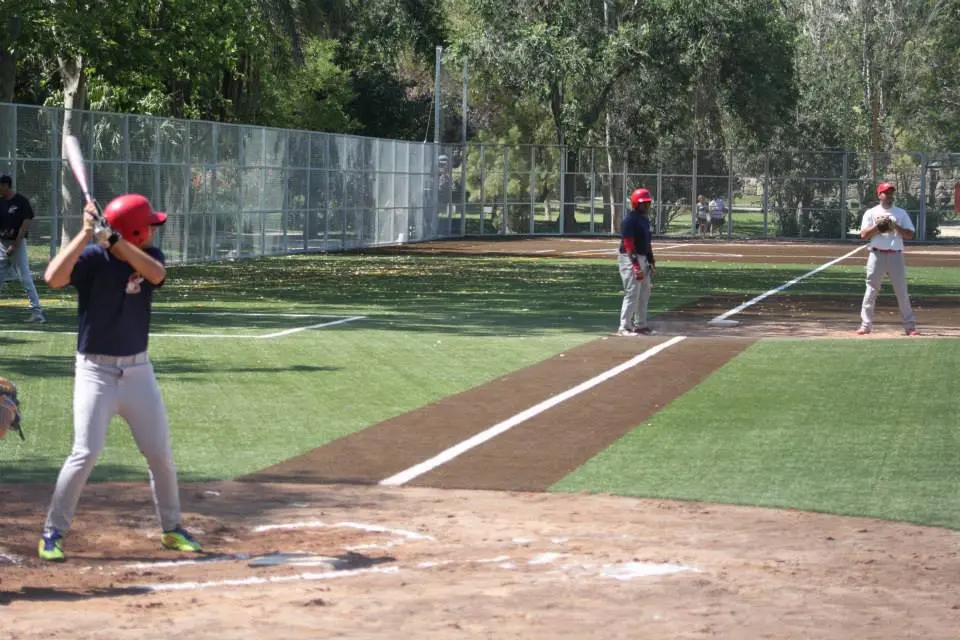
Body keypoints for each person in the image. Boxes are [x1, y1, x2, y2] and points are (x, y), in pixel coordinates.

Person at [37, 194, 202, 562]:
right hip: (95, 372)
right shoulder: (94, 260)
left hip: (139, 371)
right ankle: (53, 531)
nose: (154, 231)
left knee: (159, 453)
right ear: (137, 229)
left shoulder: (149, 260)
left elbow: (157, 275)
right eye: (149, 226)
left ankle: (172, 529)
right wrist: (84, 234)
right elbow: (52, 278)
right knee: (85, 453)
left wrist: (116, 242)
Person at [856, 182, 919, 336]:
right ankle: (865, 325)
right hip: (876, 255)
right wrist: (879, 226)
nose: (889, 195)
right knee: (871, 290)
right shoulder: (871, 213)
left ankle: (910, 326)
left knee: (901, 292)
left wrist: (895, 226)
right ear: (879, 195)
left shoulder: (900, 213)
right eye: (886, 192)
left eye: (891, 192)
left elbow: (909, 234)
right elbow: (863, 235)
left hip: (895, 255)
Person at [0, 174, 46, 323]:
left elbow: (24, 226)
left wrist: (15, 245)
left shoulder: (21, 202)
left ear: (6, 185)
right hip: (2, 245)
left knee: (25, 278)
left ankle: (37, 313)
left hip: (17, 245)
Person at [617, 188, 657, 336]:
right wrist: (635, 266)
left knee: (644, 292)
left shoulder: (645, 219)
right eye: (643, 203)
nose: (646, 206)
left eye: (647, 203)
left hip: (643, 258)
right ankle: (624, 326)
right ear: (635, 204)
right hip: (630, 258)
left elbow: (647, 243)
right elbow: (628, 244)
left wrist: (651, 260)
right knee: (632, 292)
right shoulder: (630, 220)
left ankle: (641, 324)